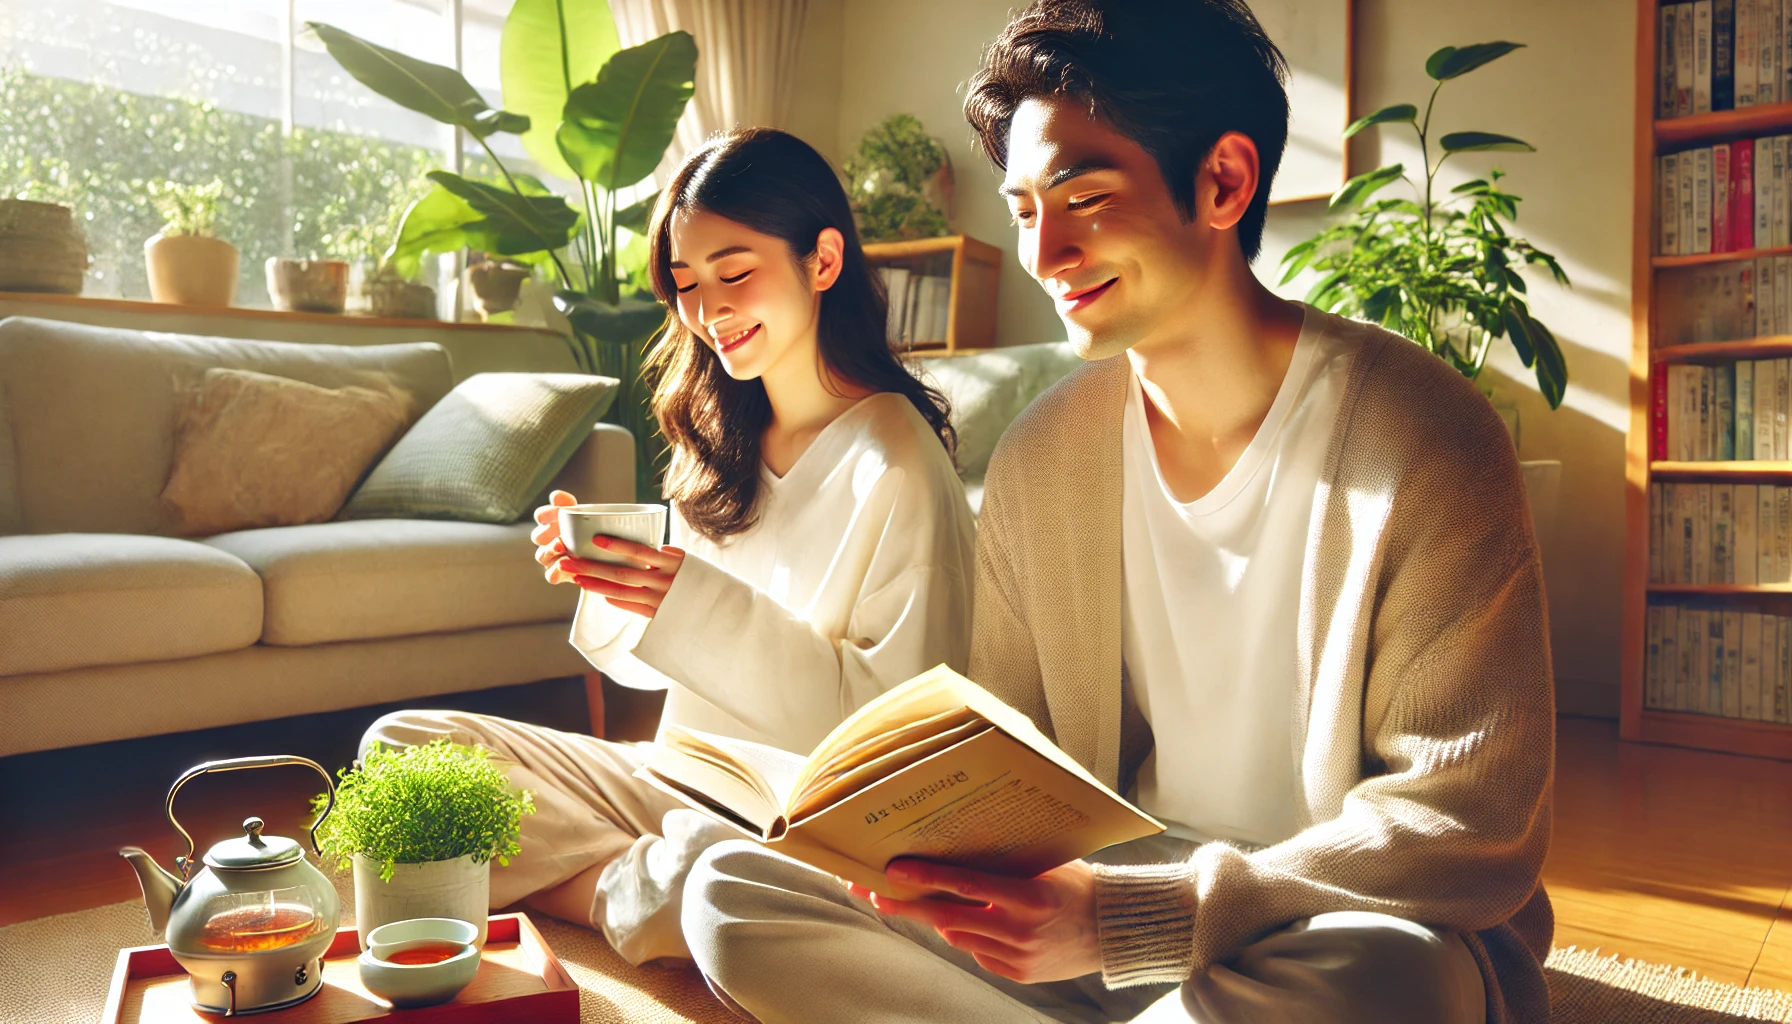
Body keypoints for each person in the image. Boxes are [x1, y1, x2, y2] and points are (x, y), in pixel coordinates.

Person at [679, 3, 1555, 1022]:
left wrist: (1139, 917)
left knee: (1392, 981)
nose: (1044, 254)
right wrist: (941, 856)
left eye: (1081, 197)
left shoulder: (1422, 437)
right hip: (1102, 894)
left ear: (1223, 180)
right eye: (1021, 211)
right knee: (734, 891)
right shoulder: (1042, 456)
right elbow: (1006, 768)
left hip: (1333, 912)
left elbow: (1464, 822)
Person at [361, 126, 977, 966]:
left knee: (713, 871)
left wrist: (684, 599)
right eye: (686, 284)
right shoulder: (721, 436)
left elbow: (892, 746)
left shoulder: (899, 463)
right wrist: (622, 587)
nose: (708, 310)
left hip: (794, 826)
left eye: (736, 272)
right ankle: (637, 894)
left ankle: (620, 890)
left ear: (823, 261)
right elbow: (655, 670)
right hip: (671, 781)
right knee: (401, 751)